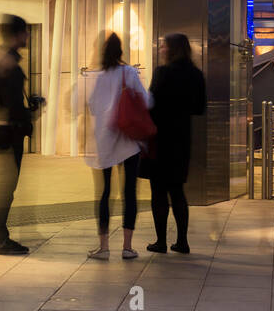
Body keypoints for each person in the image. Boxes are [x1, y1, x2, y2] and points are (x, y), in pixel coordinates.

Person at [0, 15, 40, 255]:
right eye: (25, 33)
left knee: (0, 183)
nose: (28, 37)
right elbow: (12, 105)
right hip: (7, 132)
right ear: (17, 35)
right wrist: (30, 117)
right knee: (5, 185)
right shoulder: (8, 64)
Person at [87, 32, 152, 260]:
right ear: (121, 51)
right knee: (129, 193)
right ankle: (127, 246)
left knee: (104, 193)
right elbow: (145, 101)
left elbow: (93, 107)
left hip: (105, 142)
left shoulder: (98, 76)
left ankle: (104, 248)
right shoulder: (130, 72)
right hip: (129, 143)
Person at [143, 33, 206, 254]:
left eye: (163, 46)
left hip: (160, 138)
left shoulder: (163, 72)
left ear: (172, 49)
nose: (161, 49)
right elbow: (200, 108)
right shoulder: (196, 75)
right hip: (181, 138)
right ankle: (182, 241)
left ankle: (160, 241)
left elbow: (150, 103)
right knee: (177, 191)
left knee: (158, 191)